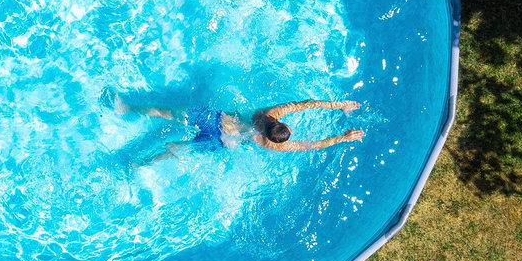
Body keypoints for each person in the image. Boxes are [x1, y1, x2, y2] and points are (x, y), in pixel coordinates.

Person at [113, 95, 364, 160]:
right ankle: (142, 164)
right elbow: (313, 145)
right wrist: (342, 137)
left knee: (169, 114)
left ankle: (127, 108)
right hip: (222, 141)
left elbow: (303, 105)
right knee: (178, 150)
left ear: (276, 124)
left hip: (216, 121)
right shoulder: (274, 146)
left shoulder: (269, 114)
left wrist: (337, 105)